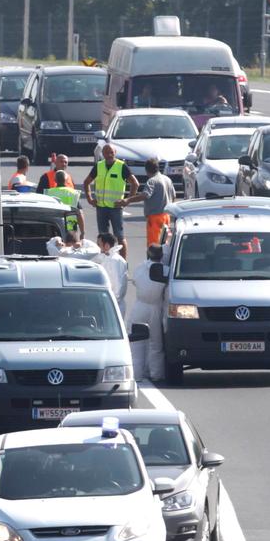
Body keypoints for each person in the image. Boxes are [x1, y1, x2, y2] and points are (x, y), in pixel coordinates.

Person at [84, 143, 139, 259]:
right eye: (106, 153)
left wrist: (127, 200)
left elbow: (135, 183)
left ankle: (123, 263)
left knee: (119, 236)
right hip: (101, 207)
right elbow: (86, 182)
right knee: (102, 238)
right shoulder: (98, 166)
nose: (109, 155)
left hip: (116, 207)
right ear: (102, 154)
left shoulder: (121, 166)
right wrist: (89, 198)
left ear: (115, 153)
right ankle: (104, 260)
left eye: (111, 153)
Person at [129, 245, 166, 381]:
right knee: (156, 344)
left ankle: (136, 375)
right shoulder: (165, 270)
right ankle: (156, 375)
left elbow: (135, 282)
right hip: (156, 308)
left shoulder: (140, 267)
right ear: (162, 256)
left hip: (140, 306)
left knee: (136, 342)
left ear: (148, 254)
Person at [118, 157, 174, 246]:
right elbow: (173, 196)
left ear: (146, 170)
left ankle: (153, 260)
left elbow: (145, 195)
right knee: (164, 243)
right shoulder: (167, 179)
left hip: (155, 217)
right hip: (166, 216)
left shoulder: (152, 181)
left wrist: (128, 200)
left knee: (153, 245)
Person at [44, 169, 86, 237]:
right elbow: (79, 213)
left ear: (55, 180)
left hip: (53, 225)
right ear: (66, 180)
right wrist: (82, 232)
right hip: (71, 225)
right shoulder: (73, 193)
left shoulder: (48, 193)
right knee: (70, 245)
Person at [95, 232, 128, 314]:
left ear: (106, 246)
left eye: (99, 244)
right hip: (109, 303)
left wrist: (110, 303)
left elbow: (118, 286)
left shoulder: (114, 261)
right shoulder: (108, 258)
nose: (98, 247)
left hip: (113, 306)